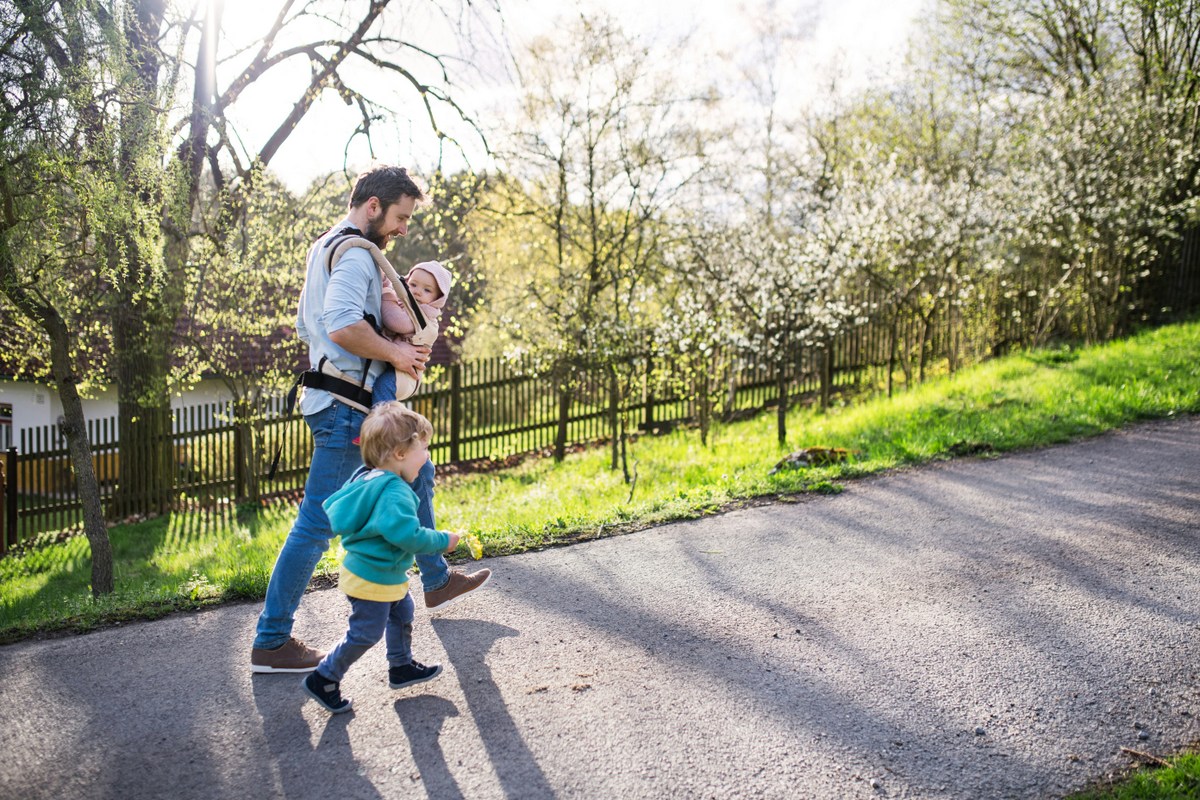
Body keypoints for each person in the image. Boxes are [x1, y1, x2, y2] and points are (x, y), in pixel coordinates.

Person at [251, 166, 490, 674]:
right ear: (375, 205)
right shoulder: (357, 253)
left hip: (340, 398)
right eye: (401, 216)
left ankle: (435, 578)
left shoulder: (325, 248)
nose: (404, 229)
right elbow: (340, 326)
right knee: (316, 525)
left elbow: (306, 325)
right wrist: (397, 355)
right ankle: (271, 641)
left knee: (418, 470)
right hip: (346, 407)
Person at [302, 403, 459, 713]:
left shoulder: (367, 478)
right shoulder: (395, 491)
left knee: (402, 611)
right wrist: (443, 540)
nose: (427, 457)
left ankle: (400, 666)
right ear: (400, 454)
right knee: (365, 632)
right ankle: (324, 677)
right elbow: (408, 535)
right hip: (373, 578)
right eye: (423, 449)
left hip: (369, 572)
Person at [373, 260, 453, 403]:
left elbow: (395, 321)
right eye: (413, 285)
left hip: (406, 375)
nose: (417, 291)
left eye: (427, 290)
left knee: (382, 387)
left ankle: (381, 421)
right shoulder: (407, 304)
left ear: (437, 299)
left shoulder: (424, 314)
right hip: (395, 365)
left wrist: (386, 292)